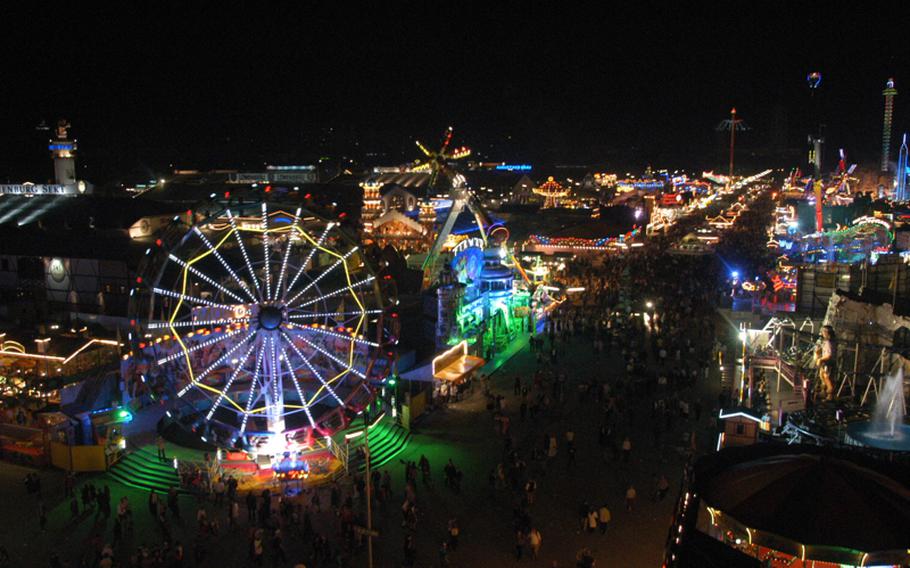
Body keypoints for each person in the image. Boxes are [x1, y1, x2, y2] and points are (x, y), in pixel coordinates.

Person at [815, 325, 836, 400]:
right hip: (826, 363)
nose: (822, 333)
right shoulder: (826, 342)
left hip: (828, 363)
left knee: (827, 378)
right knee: (822, 376)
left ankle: (830, 395)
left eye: (824, 332)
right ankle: (824, 392)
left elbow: (829, 355)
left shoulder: (829, 343)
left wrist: (820, 359)